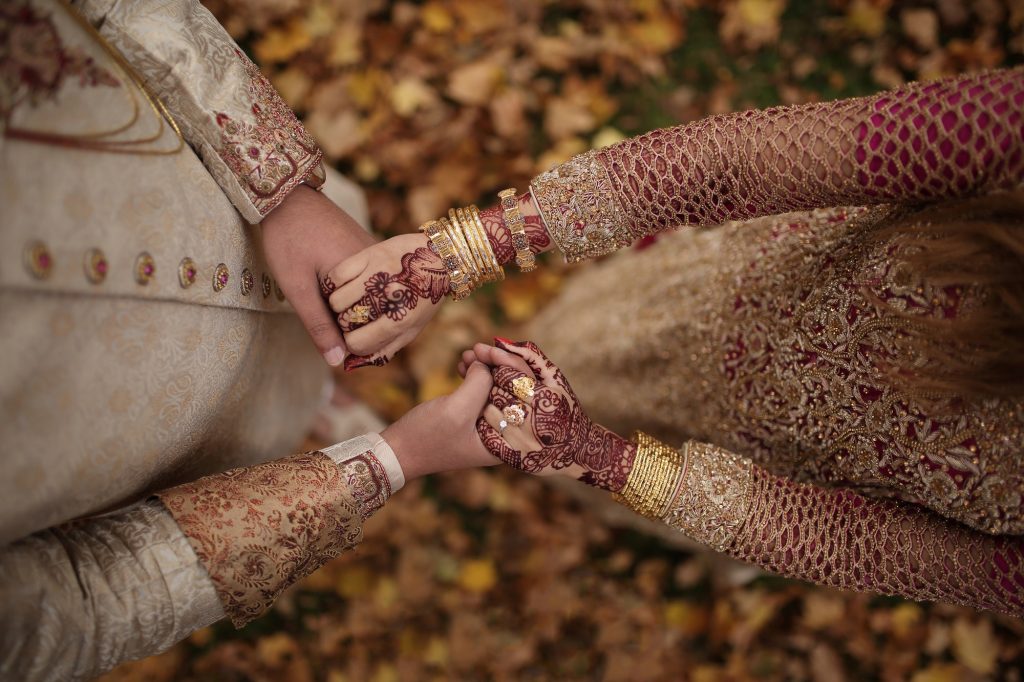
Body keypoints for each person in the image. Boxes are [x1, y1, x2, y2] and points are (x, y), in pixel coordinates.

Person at [327, 66, 1024, 615]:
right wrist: (466, 248)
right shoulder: (1012, 134)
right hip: (709, 300)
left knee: (580, 447)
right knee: (580, 347)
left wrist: (600, 457)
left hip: (758, 478)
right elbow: (740, 165)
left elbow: (871, 546)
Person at [0, 1, 489, 679]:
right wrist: (388, 460)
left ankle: (317, 380)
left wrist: (284, 190)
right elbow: (77, 605)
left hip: (204, 188)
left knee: (335, 292)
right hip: (155, 437)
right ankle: (302, 416)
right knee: (253, 432)